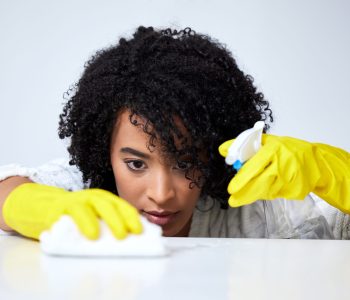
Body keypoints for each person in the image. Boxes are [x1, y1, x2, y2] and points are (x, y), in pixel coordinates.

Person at [0, 26, 349, 241]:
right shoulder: (87, 194)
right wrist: (37, 206)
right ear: (104, 152)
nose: (162, 194)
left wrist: (331, 173)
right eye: (136, 165)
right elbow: (6, 190)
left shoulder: (256, 210)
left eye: (186, 162)